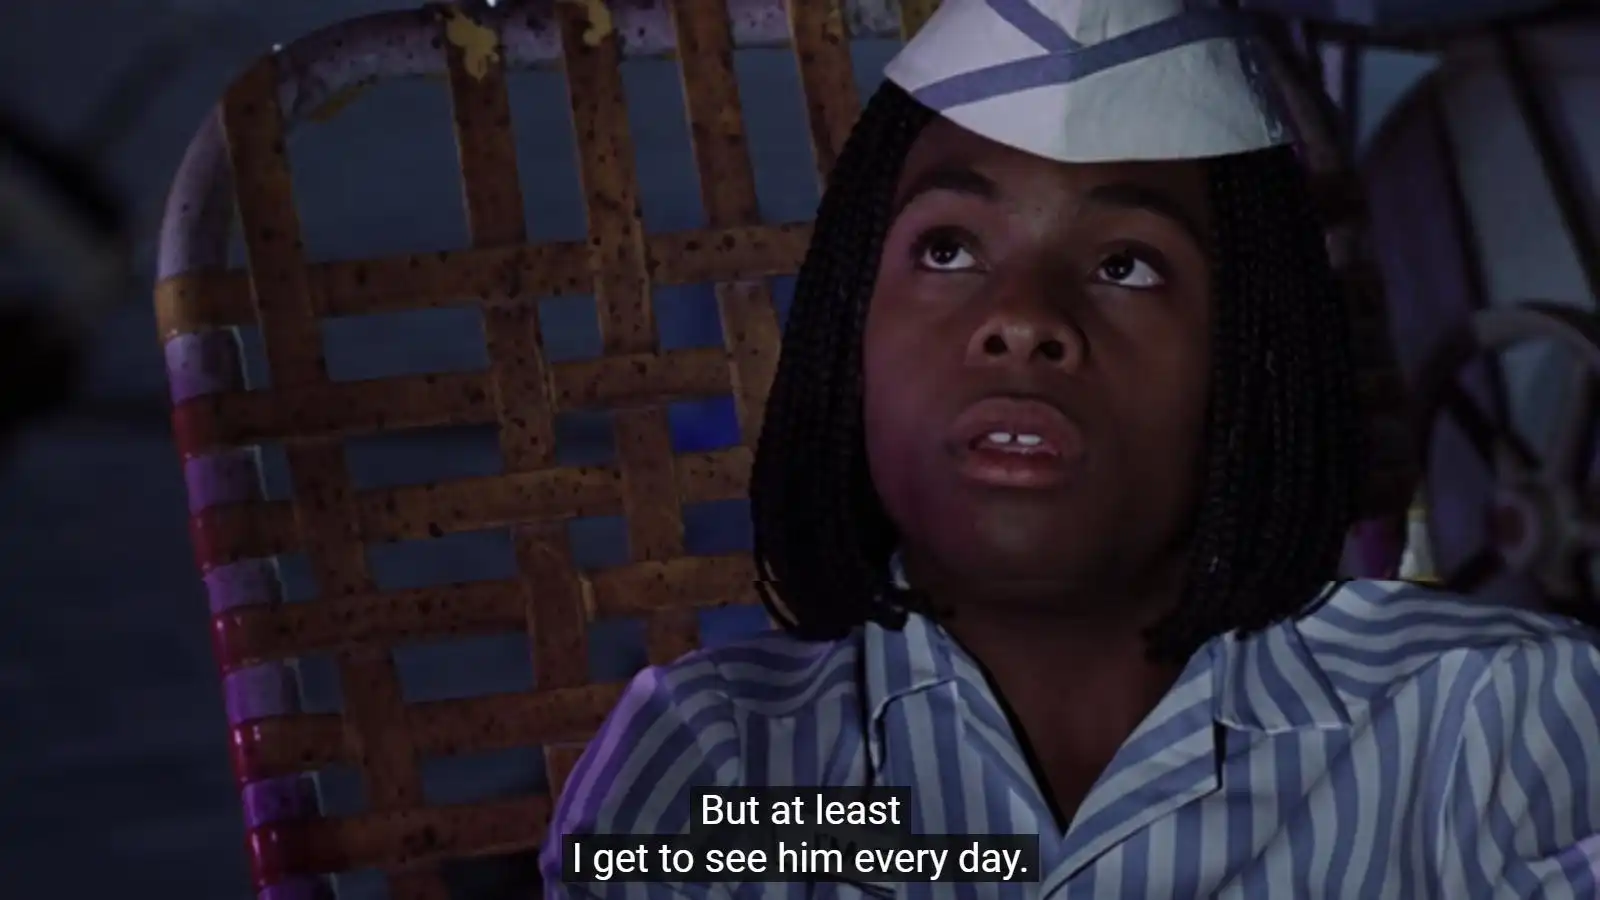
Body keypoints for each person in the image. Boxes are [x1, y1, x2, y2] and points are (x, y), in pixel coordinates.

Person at [541, 0, 1600, 896]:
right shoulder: (724, 769)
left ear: (1248, 359)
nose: (1022, 319)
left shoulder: (1492, 726)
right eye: (947, 248)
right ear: (846, 328)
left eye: (1127, 265)